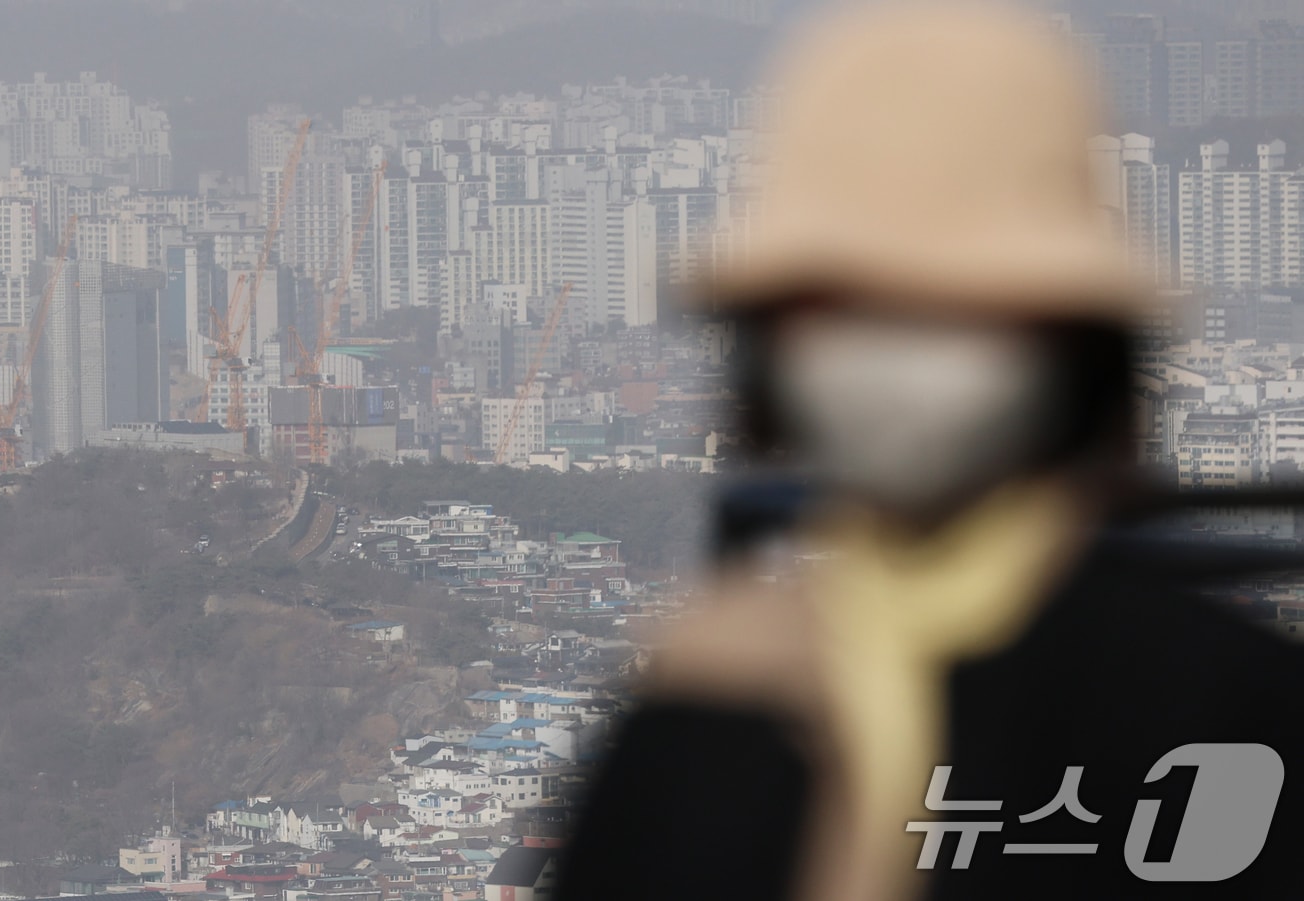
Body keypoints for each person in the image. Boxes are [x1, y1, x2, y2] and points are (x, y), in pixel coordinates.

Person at [553, 2, 1304, 899]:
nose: (901, 352)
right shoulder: (709, 701)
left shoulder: (1222, 709)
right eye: (848, 305)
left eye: (963, 308)